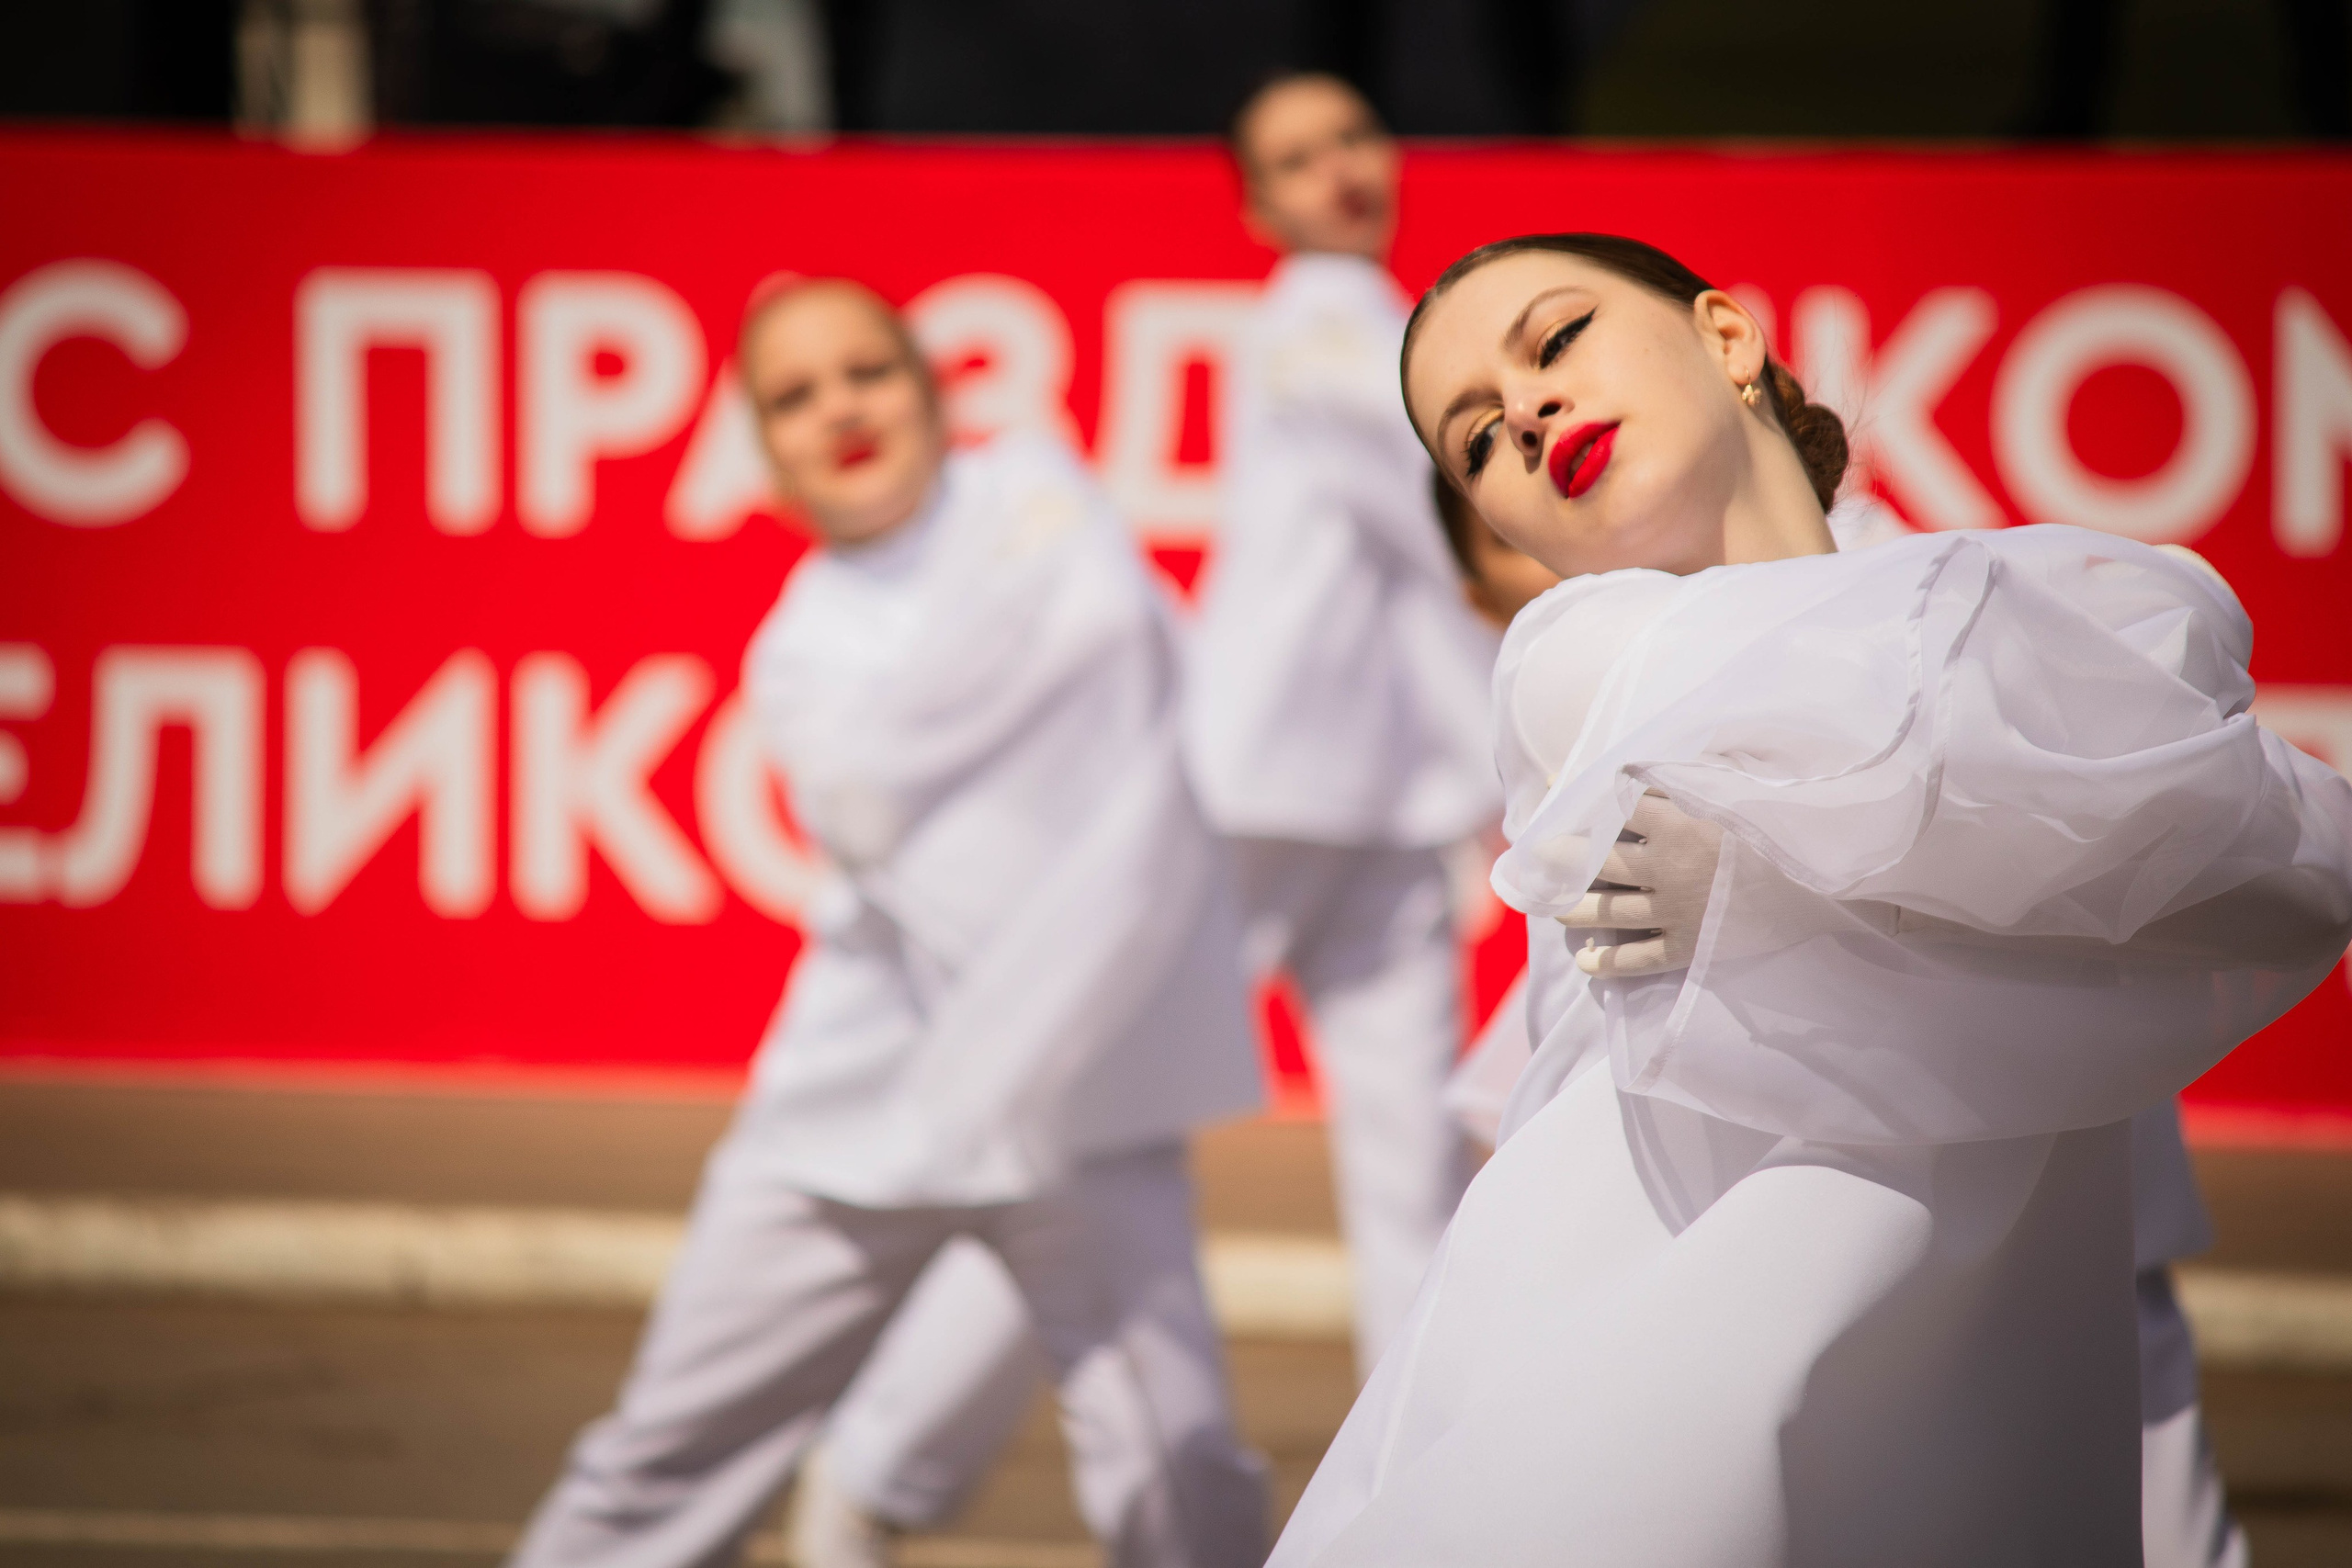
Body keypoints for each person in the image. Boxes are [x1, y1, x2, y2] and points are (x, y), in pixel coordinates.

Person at [1266, 231, 2352, 1566]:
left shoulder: (2000, 604)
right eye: (1479, 440)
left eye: (1555, 341)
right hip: (1629, 1405)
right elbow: (2140, 782)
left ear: (1728, 336)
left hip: (1989, 1403)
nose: (1530, 414)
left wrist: (1801, 864)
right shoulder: (1580, 665)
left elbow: (2281, 856)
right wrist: (2017, 845)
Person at [784, 72, 1501, 1563]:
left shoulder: (1395, 326)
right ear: (1258, 207)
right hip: (1247, 794)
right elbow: (1450, 524)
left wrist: (1487, 774)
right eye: (1296, 158)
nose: (1337, 171)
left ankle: (1425, 1506)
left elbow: (1433, 575)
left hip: (1388, 811)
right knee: (1099, 1142)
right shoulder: (1319, 323)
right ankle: (876, 1463)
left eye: (1352, 138)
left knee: (1415, 1174)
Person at [508, 278, 1270, 1568]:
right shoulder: (802, 650)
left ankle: (866, 1493)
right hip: (860, 1111)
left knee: (1177, 1468)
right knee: (666, 1460)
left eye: (867, 372)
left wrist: (933, 733)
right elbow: (876, 812)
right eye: (794, 398)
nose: (841, 411)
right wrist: (1019, 668)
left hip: (1077, 1091)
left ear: (929, 386)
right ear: (765, 450)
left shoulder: (1041, 491)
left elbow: (1128, 675)